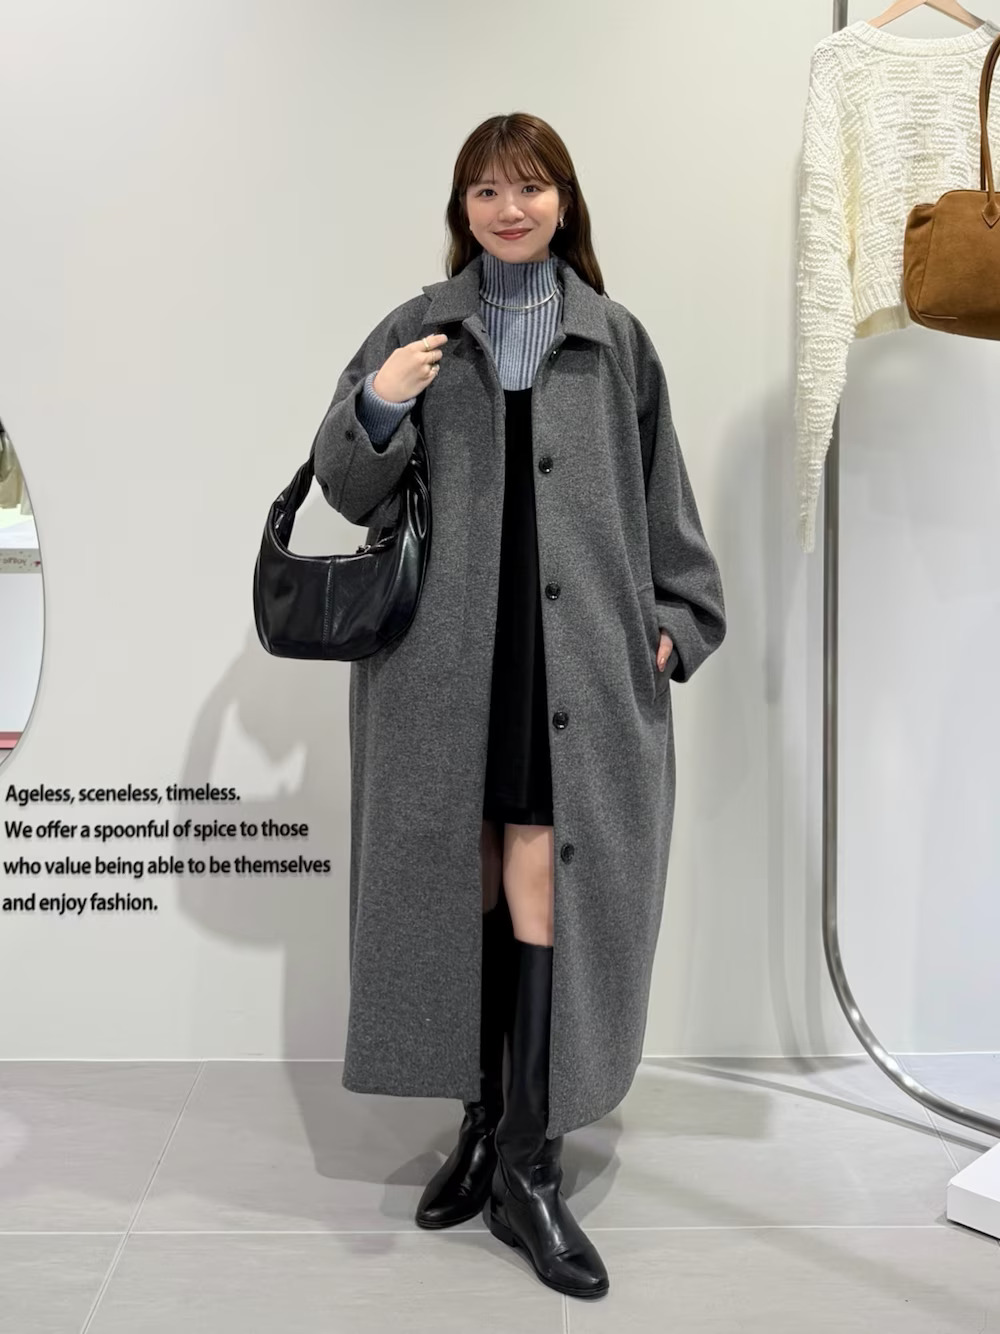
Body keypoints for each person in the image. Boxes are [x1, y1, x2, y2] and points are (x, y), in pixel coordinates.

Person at [311, 112, 726, 1301]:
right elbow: (342, 488)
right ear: (462, 208)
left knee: (542, 871)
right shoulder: (416, 330)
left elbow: (664, 499)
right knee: (469, 876)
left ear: (564, 202)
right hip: (443, 668)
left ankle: (530, 1165)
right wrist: (378, 401)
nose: (509, 207)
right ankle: (483, 1125)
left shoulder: (614, 340)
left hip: (575, 664)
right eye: (487, 189)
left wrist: (678, 618)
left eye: (531, 186)